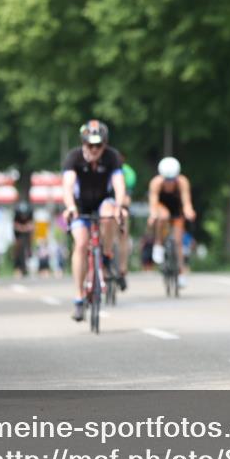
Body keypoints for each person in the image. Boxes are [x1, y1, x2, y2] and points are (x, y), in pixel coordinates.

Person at [61, 120, 128, 321]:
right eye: (90, 145)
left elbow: (118, 183)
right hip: (80, 205)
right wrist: (70, 207)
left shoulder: (112, 157)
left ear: (105, 145)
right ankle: (79, 298)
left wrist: (120, 206)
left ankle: (106, 255)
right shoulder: (73, 157)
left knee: (110, 212)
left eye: (99, 145)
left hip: (103, 201)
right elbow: (67, 186)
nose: (94, 149)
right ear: (83, 144)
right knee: (81, 244)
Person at [146, 156, 197, 288]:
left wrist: (189, 211)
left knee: (178, 241)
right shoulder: (156, 183)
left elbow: (186, 202)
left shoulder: (182, 182)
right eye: (166, 179)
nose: (169, 183)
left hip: (176, 208)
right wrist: (152, 215)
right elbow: (153, 203)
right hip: (161, 207)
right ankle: (158, 243)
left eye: (172, 179)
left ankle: (181, 272)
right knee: (162, 216)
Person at [117, 162, 137, 288]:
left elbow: (127, 197)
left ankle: (122, 269)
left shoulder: (127, 174)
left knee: (123, 235)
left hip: (121, 205)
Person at [12, 200, 35, 277]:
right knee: (18, 249)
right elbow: (15, 226)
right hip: (19, 236)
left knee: (28, 248)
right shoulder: (16, 216)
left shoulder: (30, 215)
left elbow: (31, 226)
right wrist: (24, 228)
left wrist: (24, 228)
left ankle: (27, 267)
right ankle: (18, 268)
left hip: (26, 236)